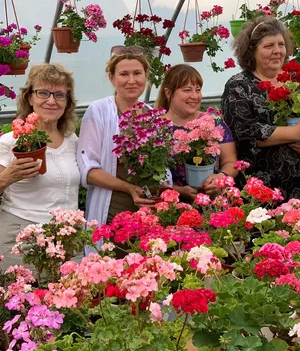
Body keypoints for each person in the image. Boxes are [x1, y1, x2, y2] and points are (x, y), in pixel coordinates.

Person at [0, 64, 80, 269]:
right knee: (24, 300)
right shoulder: (10, 142)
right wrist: (7, 177)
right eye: (43, 93)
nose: (51, 101)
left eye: (60, 95)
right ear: (29, 98)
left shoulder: (73, 141)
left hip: (68, 238)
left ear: (67, 102)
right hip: (22, 239)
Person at [77, 45, 156, 229]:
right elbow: (88, 170)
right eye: (124, 74)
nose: (131, 80)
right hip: (112, 209)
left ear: (146, 76)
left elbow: (161, 165)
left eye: (137, 73)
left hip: (148, 209)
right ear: (112, 78)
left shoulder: (152, 115)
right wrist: (129, 188)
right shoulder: (99, 110)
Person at [221, 16, 300, 200]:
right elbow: (246, 132)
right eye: (268, 46)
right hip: (261, 190)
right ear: (252, 51)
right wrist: (295, 133)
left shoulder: (295, 80)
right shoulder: (239, 85)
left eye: (281, 44)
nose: (277, 51)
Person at [155, 64, 238, 201]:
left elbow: (231, 162)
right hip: (169, 206)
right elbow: (147, 178)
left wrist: (220, 177)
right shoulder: (156, 128)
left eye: (198, 90)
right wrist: (177, 190)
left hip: (211, 204)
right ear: (168, 93)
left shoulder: (214, 123)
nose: (194, 96)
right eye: (187, 90)